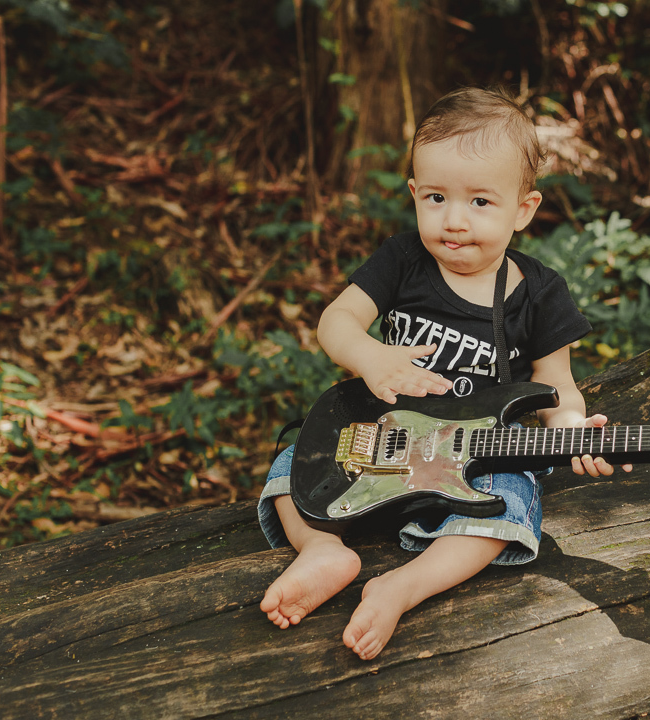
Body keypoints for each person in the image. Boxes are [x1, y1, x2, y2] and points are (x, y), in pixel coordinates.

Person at [257, 86, 629, 661]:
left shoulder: (540, 293)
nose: (453, 220)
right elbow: (336, 322)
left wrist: (574, 427)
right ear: (413, 194)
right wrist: (371, 355)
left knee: (508, 502)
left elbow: (558, 388)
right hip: (383, 441)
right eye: (435, 197)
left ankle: (402, 586)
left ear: (523, 209)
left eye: (480, 202)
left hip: (477, 458)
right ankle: (322, 550)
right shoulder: (402, 261)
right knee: (292, 465)